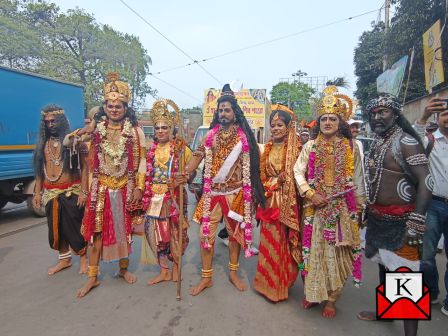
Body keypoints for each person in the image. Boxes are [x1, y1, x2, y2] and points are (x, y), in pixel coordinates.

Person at [357, 94, 432, 336]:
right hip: (378, 220)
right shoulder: (379, 142)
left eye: (383, 112)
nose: (377, 117)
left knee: (405, 279)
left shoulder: (406, 141)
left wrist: (417, 220)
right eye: (374, 113)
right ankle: (385, 313)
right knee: (383, 268)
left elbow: (426, 181)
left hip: (403, 223)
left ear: (395, 114)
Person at [186, 84, 266, 296]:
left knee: (234, 237)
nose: (223, 113)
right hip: (212, 194)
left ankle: (233, 273)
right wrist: (186, 172)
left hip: (235, 194)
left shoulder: (244, 138)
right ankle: (206, 277)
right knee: (206, 236)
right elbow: (197, 155)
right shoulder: (210, 135)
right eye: (220, 110)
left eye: (227, 110)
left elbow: (256, 166)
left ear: (234, 112)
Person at [293, 86, 365, 318]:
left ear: (340, 122)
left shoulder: (351, 147)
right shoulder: (310, 146)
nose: (327, 122)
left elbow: (358, 178)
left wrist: (359, 209)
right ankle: (313, 294)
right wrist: (310, 193)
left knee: (338, 254)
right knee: (314, 253)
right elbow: (298, 171)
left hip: (343, 210)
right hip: (315, 208)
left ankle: (332, 299)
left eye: (332, 119)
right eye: (323, 118)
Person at [77, 73, 146, 297]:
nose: (114, 109)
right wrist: (84, 131)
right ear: (104, 106)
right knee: (96, 233)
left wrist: (139, 187)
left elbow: (142, 161)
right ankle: (93, 278)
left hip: (125, 187)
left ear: (126, 108)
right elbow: (70, 142)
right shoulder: (96, 130)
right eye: (110, 105)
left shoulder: (135, 132)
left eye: (118, 106)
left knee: (123, 230)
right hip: (102, 187)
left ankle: (123, 270)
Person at [253, 104, 302, 302]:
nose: (275, 129)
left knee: (282, 243)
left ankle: (280, 284)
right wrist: (268, 187)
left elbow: (300, 176)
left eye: (280, 125)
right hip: (268, 200)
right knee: (267, 242)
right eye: (272, 125)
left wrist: (285, 180)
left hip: (286, 202)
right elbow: (261, 176)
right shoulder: (267, 148)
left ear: (289, 127)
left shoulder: (296, 150)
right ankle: (266, 284)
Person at [32, 105, 88, 275]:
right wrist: (37, 192)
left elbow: (85, 168)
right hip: (51, 193)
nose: (50, 125)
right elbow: (40, 170)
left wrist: (84, 192)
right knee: (56, 229)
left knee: (76, 227)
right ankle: (64, 259)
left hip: (72, 190)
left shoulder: (74, 142)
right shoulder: (43, 144)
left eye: (53, 121)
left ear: (61, 121)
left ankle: (84, 260)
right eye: (47, 122)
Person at [142, 99, 192, 285]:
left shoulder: (181, 149)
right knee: (156, 235)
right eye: (158, 128)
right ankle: (164, 270)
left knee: (175, 233)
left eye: (165, 127)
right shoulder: (150, 151)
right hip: (154, 197)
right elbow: (146, 173)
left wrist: (185, 177)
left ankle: (176, 268)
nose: (161, 131)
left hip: (173, 197)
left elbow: (191, 171)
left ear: (171, 129)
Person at [414, 97, 448, 316]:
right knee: (426, 255)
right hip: (434, 204)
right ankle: (430, 292)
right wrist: (424, 116)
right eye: (446, 114)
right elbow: (412, 139)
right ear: (439, 117)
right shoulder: (430, 140)